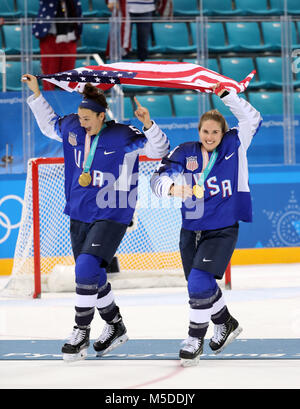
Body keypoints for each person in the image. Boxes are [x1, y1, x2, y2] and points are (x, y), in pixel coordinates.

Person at [22, 74, 170, 362]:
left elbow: (159, 150)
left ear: (102, 116)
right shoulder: (73, 127)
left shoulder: (122, 135)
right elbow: (50, 125)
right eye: (80, 117)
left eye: (88, 118)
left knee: (86, 268)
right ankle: (115, 325)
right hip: (79, 210)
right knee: (92, 274)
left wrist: (148, 125)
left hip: (113, 210)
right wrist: (37, 95)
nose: (82, 122)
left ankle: (80, 333)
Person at [151, 82, 263, 366]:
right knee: (197, 286)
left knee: (200, 282)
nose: (210, 136)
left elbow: (252, 119)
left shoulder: (235, 144)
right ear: (198, 132)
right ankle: (226, 322)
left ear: (223, 132)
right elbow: (157, 178)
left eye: (215, 131)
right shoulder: (186, 152)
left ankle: (194, 339)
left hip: (223, 227)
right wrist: (172, 188)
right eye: (205, 131)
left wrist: (228, 97)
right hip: (190, 230)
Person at [32, 1, 82, 91]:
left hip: (69, 38)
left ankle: (66, 102)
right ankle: (48, 102)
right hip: (50, 39)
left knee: (68, 77)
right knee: (49, 76)